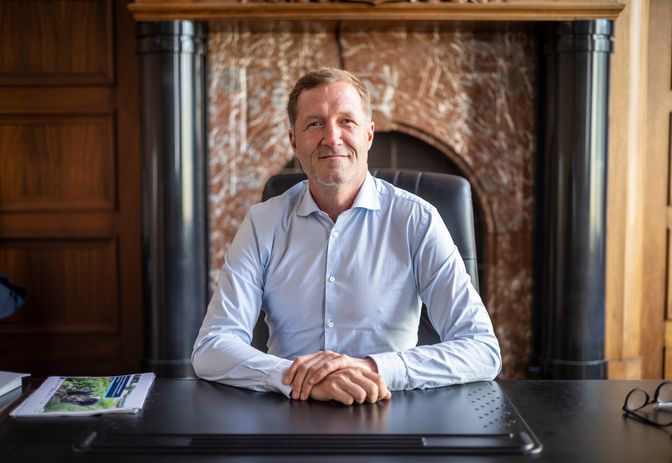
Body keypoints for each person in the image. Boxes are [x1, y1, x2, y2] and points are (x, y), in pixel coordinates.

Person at [192, 67, 501, 406]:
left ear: (369, 135)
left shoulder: (417, 220)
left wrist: (369, 368)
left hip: (391, 411)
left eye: (347, 122)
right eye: (315, 124)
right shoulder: (262, 223)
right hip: (287, 412)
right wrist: (297, 379)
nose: (332, 137)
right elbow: (212, 347)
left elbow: (481, 349)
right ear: (294, 141)